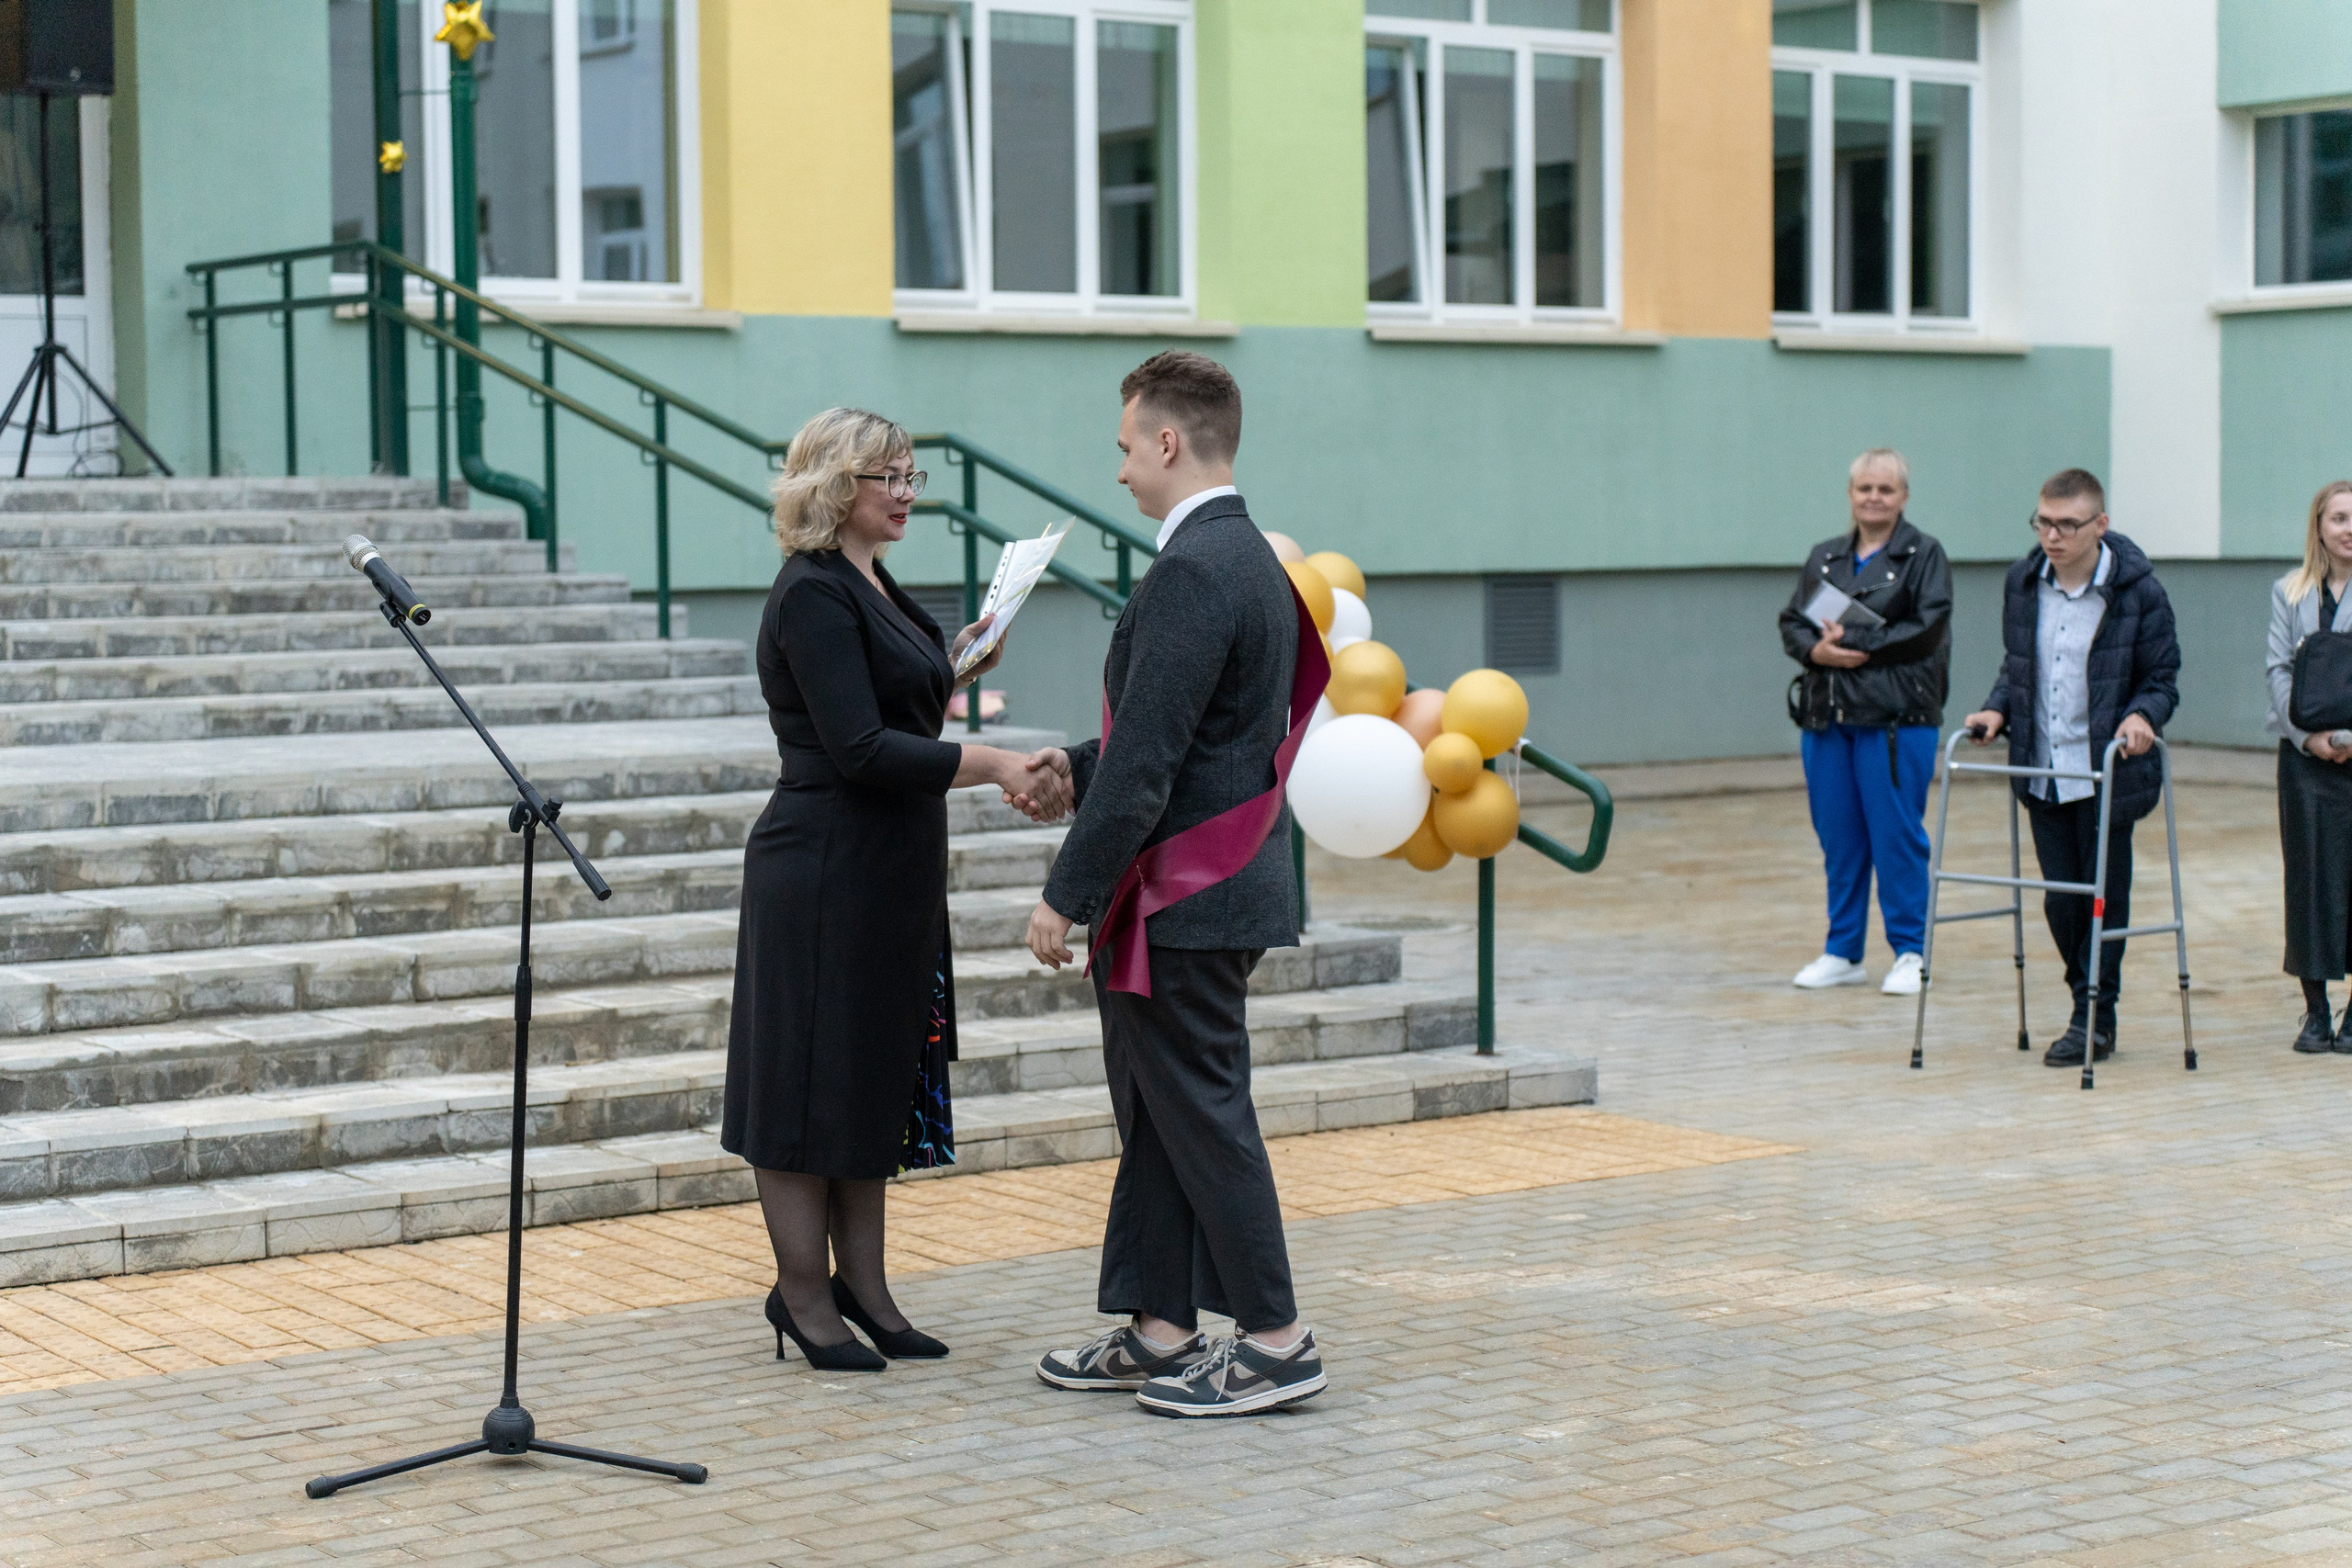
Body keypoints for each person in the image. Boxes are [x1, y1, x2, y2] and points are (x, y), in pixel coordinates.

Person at [722, 407, 1069, 1371]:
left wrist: (960, 660)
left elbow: (891, 696)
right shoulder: (810, 594)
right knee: (806, 1083)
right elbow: (861, 747)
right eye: (892, 477)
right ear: (837, 485)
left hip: (889, 870)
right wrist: (996, 759)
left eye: (913, 475)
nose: (909, 493)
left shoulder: (872, 584)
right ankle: (801, 1294)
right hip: (825, 867)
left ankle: (865, 1289)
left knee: (869, 1076)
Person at [1017, 351, 1330, 1418]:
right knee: (1160, 1111)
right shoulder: (1248, 558)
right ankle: (1160, 1327)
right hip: (1208, 886)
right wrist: (1076, 767)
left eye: (1123, 448)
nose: (1118, 472)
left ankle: (1278, 1340)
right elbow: (1203, 745)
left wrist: (1066, 892)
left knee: (1199, 1111)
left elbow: (1154, 760)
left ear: (1165, 440)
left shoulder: (1198, 569)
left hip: (1185, 900)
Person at [1964, 468, 2180, 1068]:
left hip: (2106, 770)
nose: (2052, 536)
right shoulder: (2024, 581)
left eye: (2067, 524)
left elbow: (2162, 678)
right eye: (2044, 522)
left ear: (2099, 525)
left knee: (2101, 898)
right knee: (2061, 900)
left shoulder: (2138, 591)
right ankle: (2085, 1001)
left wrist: (2142, 716)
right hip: (2042, 767)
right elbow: (2020, 666)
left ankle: (2093, 1016)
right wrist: (1995, 708)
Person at [1779, 448, 1953, 997]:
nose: (1874, 498)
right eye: (1864, 489)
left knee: (1897, 836)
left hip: (1895, 721)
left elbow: (1926, 630)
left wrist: (1851, 642)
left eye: (1886, 489)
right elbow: (1792, 622)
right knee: (1840, 838)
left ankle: (1910, 953)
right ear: (1850, 494)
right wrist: (1816, 653)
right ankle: (1843, 950)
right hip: (1828, 716)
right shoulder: (1825, 556)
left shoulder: (1924, 555)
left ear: (1904, 496)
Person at [2266, 479, 2352, 1055]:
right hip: (2305, 764)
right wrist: (2306, 738)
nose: (2349, 528)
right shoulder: (2290, 592)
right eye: (2340, 518)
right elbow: (2276, 671)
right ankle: (2315, 1011)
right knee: (2310, 883)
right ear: (2319, 526)